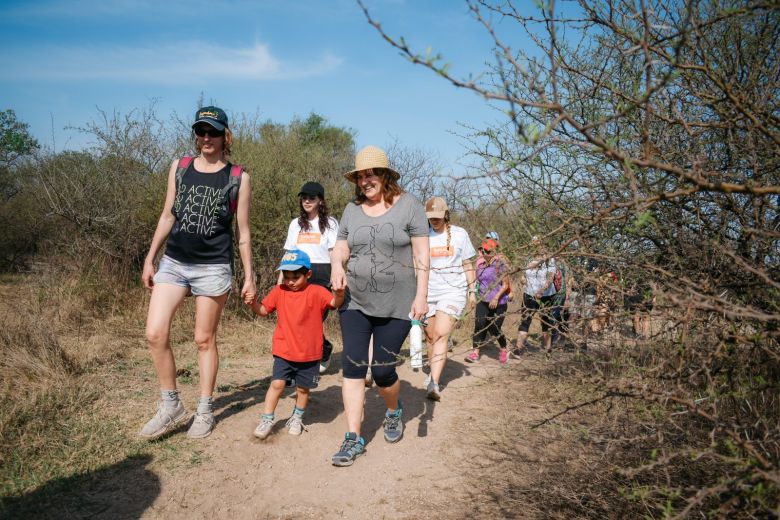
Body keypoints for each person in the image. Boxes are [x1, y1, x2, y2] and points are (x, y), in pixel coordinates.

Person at [139, 106, 255, 440]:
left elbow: (243, 232)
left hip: (213, 267)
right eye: (201, 131)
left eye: (213, 132)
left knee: (204, 339)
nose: (206, 138)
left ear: (225, 136)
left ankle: (204, 409)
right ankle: (171, 405)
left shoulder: (238, 178)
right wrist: (150, 258)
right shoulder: (180, 167)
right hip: (174, 262)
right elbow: (167, 215)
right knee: (155, 333)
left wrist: (249, 276)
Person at [330, 145, 429, 467]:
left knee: (384, 371)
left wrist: (422, 296)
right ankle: (353, 437)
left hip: (397, 302)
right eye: (360, 176)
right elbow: (341, 246)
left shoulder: (410, 206)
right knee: (353, 367)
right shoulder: (351, 209)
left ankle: (392, 410)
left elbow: (421, 256)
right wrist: (336, 266)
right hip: (356, 300)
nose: (365, 181)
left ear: (385, 175)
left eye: (370, 174)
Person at [249, 250, 345, 439]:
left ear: (308, 274)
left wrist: (339, 293)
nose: (291, 281)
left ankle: (297, 417)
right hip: (284, 350)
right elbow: (262, 310)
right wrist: (252, 302)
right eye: (287, 276)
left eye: (296, 276)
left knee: (302, 388)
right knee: (277, 384)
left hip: (309, 353)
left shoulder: (317, 292)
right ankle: (267, 419)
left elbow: (335, 302)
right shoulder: (279, 291)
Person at [281, 181, 339, 374]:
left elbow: (334, 252)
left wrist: (336, 274)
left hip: (322, 272)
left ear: (320, 200)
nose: (307, 201)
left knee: (313, 320)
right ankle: (309, 357)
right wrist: (280, 278)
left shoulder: (330, 223)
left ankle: (318, 355)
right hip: (297, 271)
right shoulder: (295, 224)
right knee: (297, 319)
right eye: (304, 197)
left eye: (311, 198)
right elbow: (289, 251)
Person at [423, 196, 477, 401]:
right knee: (429, 336)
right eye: (431, 217)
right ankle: (432, 373)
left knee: (440, 333)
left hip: (453, 290)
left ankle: (434, 383)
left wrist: (472, 291)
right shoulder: (423, 236)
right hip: (429, 292)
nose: (434, 220)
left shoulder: (460, 235)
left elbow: (467, 264)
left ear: (446, 214)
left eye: (438, 216)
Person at [464, 238, 511, 364]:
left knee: (494, 328)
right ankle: (475, 352)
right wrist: (472, 295)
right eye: (483, 250)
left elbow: (505, 284)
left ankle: (503, 349)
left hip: (499, 302)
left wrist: (496, 297)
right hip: (483, 299)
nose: (484, 252)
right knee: (479, 325)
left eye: (487, 250)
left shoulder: (500, 264)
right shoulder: (480, 264)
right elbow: (476, 281)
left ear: (494, 251)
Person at [512, 236, 557, 356]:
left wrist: (542, 290)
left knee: (545, 322)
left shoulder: (549, 260)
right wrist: (522, 280)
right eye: (533, 243)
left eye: (538, 243)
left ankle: (548, 349)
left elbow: (550, 278)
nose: (536, 246)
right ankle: (518, 349)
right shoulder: (528, 258)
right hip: (529, 295)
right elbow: (524, 275)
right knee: (525, 320)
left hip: (545, 296)